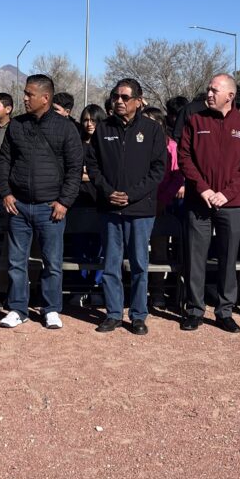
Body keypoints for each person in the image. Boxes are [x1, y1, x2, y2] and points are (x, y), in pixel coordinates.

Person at [0, 74, 84, 329]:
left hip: (51, 208)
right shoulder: (16, 125)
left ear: (45, 98)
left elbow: (74, 168)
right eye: (24, 93)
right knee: (16, 261)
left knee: (52, 263)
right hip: (18, 206)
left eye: (29, 94)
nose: (24, 98)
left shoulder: (65, 128)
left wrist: (64, 202)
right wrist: (6, 192)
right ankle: (18, 308)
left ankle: (51, 308)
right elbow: (4, 161)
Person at [178, 74, 240, 333]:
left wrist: (226, 193)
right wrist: (202, 188)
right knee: (196, 257)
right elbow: (184, 157)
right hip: (199, 201)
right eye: (209, 89)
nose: (209, 94)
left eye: (215, 90)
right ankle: (194, 309)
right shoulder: (196, 121)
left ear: (230, 96)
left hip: (232, 202)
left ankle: (225, 311)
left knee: (228, 257)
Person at [86, 78, 167, 335]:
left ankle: (138, 315)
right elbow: (93, 166)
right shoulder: (103, 129)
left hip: (140, 209)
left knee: (139, 264)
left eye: (124, 97)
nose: (118, 101)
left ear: (138, 101)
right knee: (111, 264)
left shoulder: (153, 130)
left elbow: (158, 170)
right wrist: (109, 192)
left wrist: (130, 195)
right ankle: (113, 314)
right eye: (115, 97)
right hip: (110, 208)